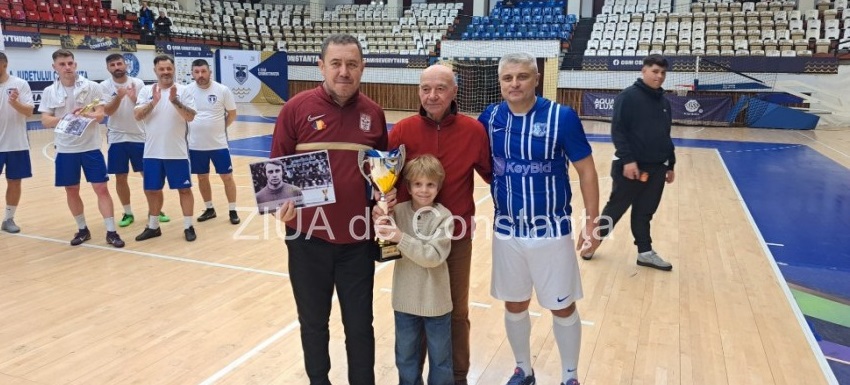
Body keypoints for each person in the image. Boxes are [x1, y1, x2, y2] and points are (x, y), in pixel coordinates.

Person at [270, 34, 388, 385]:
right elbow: (275, 172)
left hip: (357, 241)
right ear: (321, 66)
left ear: (363, 67)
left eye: (351, 64)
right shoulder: (295, 109)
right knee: (313, 323)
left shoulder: (374, 114)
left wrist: (383, 204)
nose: (343, 71)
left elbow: (382, 176)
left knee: (360, 326)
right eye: (336, 63)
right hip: (307, 238)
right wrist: (279, 206)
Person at [478, 52, 600, 385]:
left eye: (522, 76)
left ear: (536, 79)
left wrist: (592, 223)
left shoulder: (562, 117)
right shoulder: (490, 118)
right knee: (515, 304)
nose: (514, 83)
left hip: (552, 231)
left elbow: (587, 171)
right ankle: (523, 369)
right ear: (500, 82)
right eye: (507, 78)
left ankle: (570, 376)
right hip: (506, 231)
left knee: (562, 306)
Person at [386, 63, 491, 385]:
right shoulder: (402, 131)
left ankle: (457, 378)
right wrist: (383, 200)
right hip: (408, 238)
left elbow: (494, 176)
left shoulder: (473, 131)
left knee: (455, 312)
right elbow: (384, 180)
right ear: (418, 91)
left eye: (440, 88)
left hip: (455, 238)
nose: (432, 95)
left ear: (454, 92)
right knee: (413, 310)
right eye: (426, 88)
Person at [582, 54, 676, 272]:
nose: (659, 76)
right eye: (655, 71)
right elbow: (618, 131)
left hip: (657, 168)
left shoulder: (664, 102)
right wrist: (628, 160)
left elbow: (665, 134)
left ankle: (645, 253)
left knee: (645, 212)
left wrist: (670, 164)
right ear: (643, 71)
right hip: (631, 168)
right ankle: (591, 243)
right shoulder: (628, 97)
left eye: (663, 73)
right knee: (615, 209)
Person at [374, 155, 455, 385]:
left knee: (441, 361)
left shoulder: (444, 217)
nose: (424, 190)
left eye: (430, 184)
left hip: (436, 304)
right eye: (418, 184)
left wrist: (400, 237)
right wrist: (380, 223)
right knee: (406, 359)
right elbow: (383, 249)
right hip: (404, 303)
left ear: (438, 187)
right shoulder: (397, 212)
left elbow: (432, 257)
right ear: (408, 187)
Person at [39, 49, 125, 248]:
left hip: (90, 147)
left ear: (75, 64)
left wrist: (87, 115)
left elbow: (101, 115)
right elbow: (45, 120)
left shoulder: (92, 87)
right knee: (71, 189)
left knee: (101, 188)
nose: (67, 67)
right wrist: (66, 117)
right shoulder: (49, 91)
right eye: (62, 64)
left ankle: (111, 231)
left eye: (70, 63)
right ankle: (82, 229)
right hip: (65, 149)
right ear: (54, 67)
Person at [100, 53, 170, 228]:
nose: (117, 67)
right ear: (108, 68)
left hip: (139, 136)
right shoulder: (104, 86)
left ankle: (155, 210)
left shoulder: (138, 83)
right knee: (120, 177)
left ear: (126, 65)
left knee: (149, 176)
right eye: (113, 65)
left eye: (119, 64)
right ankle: (128, 212)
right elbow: (107, 112)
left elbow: (144, 109)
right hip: (117, 137)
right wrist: (118, 96)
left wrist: (132, 97)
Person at [133, 54, 197, 242]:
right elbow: (137, 116)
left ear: (174, 69)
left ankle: (188, 226)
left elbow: (190, 117)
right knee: (152, 190)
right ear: (155, 71)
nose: (166, 72)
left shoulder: (184, 91)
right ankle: (153, 227)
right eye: (162, 69)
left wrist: (174, 101)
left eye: (169, 68)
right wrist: (154, 101)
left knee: (184, 190)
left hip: (177, 152)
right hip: (152, 152)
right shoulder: (146, 91)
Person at [187, 59, 241, 225]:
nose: (200, 75)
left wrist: (220, 128)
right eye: (197, 72)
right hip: (196, 145)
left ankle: (232, 210)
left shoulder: (222, 90)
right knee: (202, 177)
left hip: (219, 144)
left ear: (210, 72)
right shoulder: (187, 91)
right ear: (192, 73)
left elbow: (232, 113)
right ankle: (209, 208)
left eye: (203, 71)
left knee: (227, 177)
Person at [0, 52, 35, 234]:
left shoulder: (20, 84)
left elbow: (29, 111)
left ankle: (8, 219)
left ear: (4, 65)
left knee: (14, 182)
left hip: (16, 143)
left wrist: (15, 103)